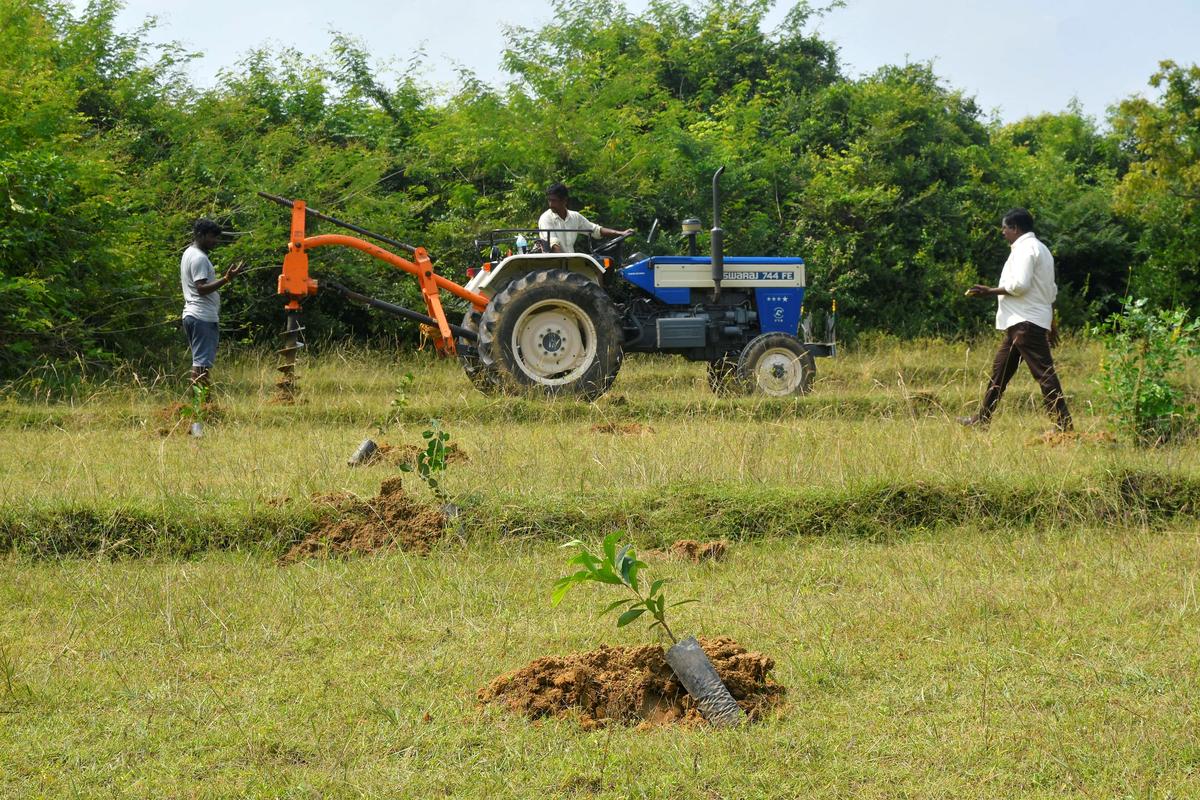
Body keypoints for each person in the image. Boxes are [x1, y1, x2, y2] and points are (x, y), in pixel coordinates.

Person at [960, 208, 1072, 431]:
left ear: (1015, 228)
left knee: (1044, 374)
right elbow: (1050, 291)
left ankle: (1063, 425)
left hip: (1025, 324)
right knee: (999, 373)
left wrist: (989, 291)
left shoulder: (1024, 249)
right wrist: (1051, 322)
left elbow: (1020, 285)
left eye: (1005, 228)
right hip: (1024, 323)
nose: (1003, 232)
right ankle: (982, 419)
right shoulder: (1042, 249)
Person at [180, 218, 244, 387]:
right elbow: (201, 288)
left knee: (200, 362)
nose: (215, 241)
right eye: (212, 237)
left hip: (194, 314)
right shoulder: (199, 258)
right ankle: (202, 407)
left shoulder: (189, 252)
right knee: (201, 365)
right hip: (201, 317)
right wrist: (226, 279)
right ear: (200, 235)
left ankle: (201, 405)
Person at [537, 182, 632, 253]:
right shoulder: (546, 218)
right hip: (554, 263)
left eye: (554, 201)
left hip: (569, 261)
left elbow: (595, 230)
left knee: (599, 270)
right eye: (549, 200)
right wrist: (566, 265)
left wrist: (621, 233)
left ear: (564, 200)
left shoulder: (575, 217)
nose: (550, 204)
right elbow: (553, 245)